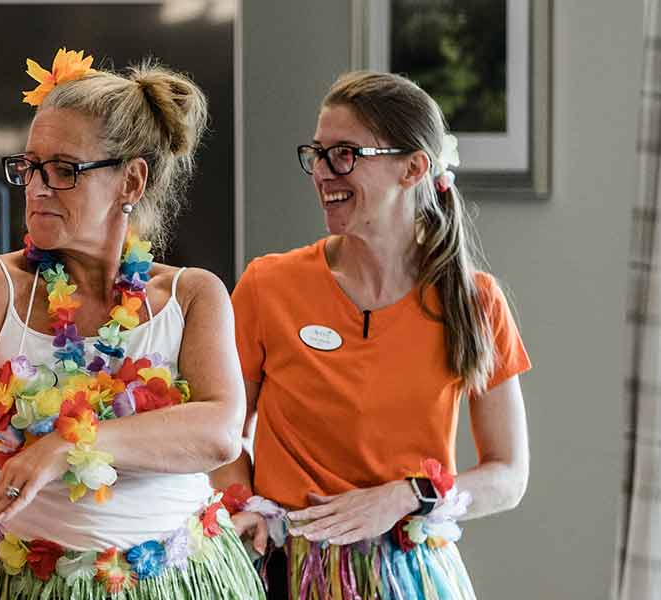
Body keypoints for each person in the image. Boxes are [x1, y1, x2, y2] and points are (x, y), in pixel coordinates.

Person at [0, 50, 261, 599]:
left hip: (183, 578)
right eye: (30, 166)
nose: (37, 187)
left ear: (131, 181)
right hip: (33, 584)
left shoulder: (191, 295)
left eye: (64, 170)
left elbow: (218, 433)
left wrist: (65, 444)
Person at [210, 70, 532, 599]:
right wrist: (247, 507)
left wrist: (409, 496)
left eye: (344, 154)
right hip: (284, 571)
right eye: (316, 154)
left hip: (414, 575)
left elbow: (508, 476)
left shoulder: (475, 300)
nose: (321, 172)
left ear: (413, 168)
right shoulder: (269, 284)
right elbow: (220, 436)